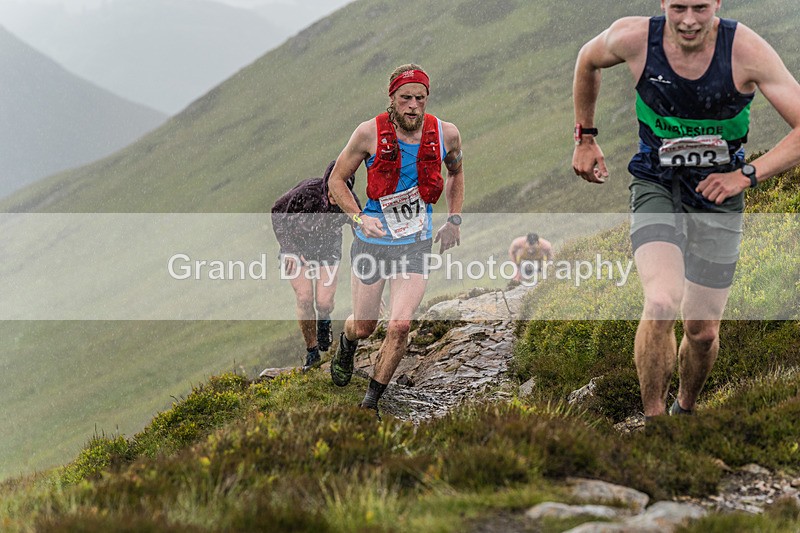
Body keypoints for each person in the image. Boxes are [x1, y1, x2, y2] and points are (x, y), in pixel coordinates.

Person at [572, 0, 800, 420]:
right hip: (657, 182)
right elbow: (588, 60)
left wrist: (746, 175)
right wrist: (585, 136)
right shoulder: (634, 38)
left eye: (700, 7)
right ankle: (654, 421)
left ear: (717, 3)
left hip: (719, 195)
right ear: (663, 3)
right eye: (679, 7)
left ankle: (685, 409)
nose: (690, 20)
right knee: (660, 302)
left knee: (702, 332)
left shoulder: (745, 50)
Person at [327, 64, 465, 416]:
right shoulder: (368, 133)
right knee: (365, 325)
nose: (413, 106)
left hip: (416, 244)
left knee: (401, 325)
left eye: (420, 98)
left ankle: (370, 403)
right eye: (406, 98)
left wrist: (454, 219)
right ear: (392, 98)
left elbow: (456, 172)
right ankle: (347, 343)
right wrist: (359, 217)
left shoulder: (446, 135)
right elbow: (337, 181)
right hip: (372, 244)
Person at [268, 160, 361, 373]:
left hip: (327, 250)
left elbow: (361, 230)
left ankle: (325, 320)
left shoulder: (351, 202)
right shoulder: (306, 192)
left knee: (324, 301)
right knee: (304, 298)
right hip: (296, 248)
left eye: (339, 193)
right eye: (330, 191)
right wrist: (289, 248)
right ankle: (312, 351)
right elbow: (276, 211)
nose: (333, 198)